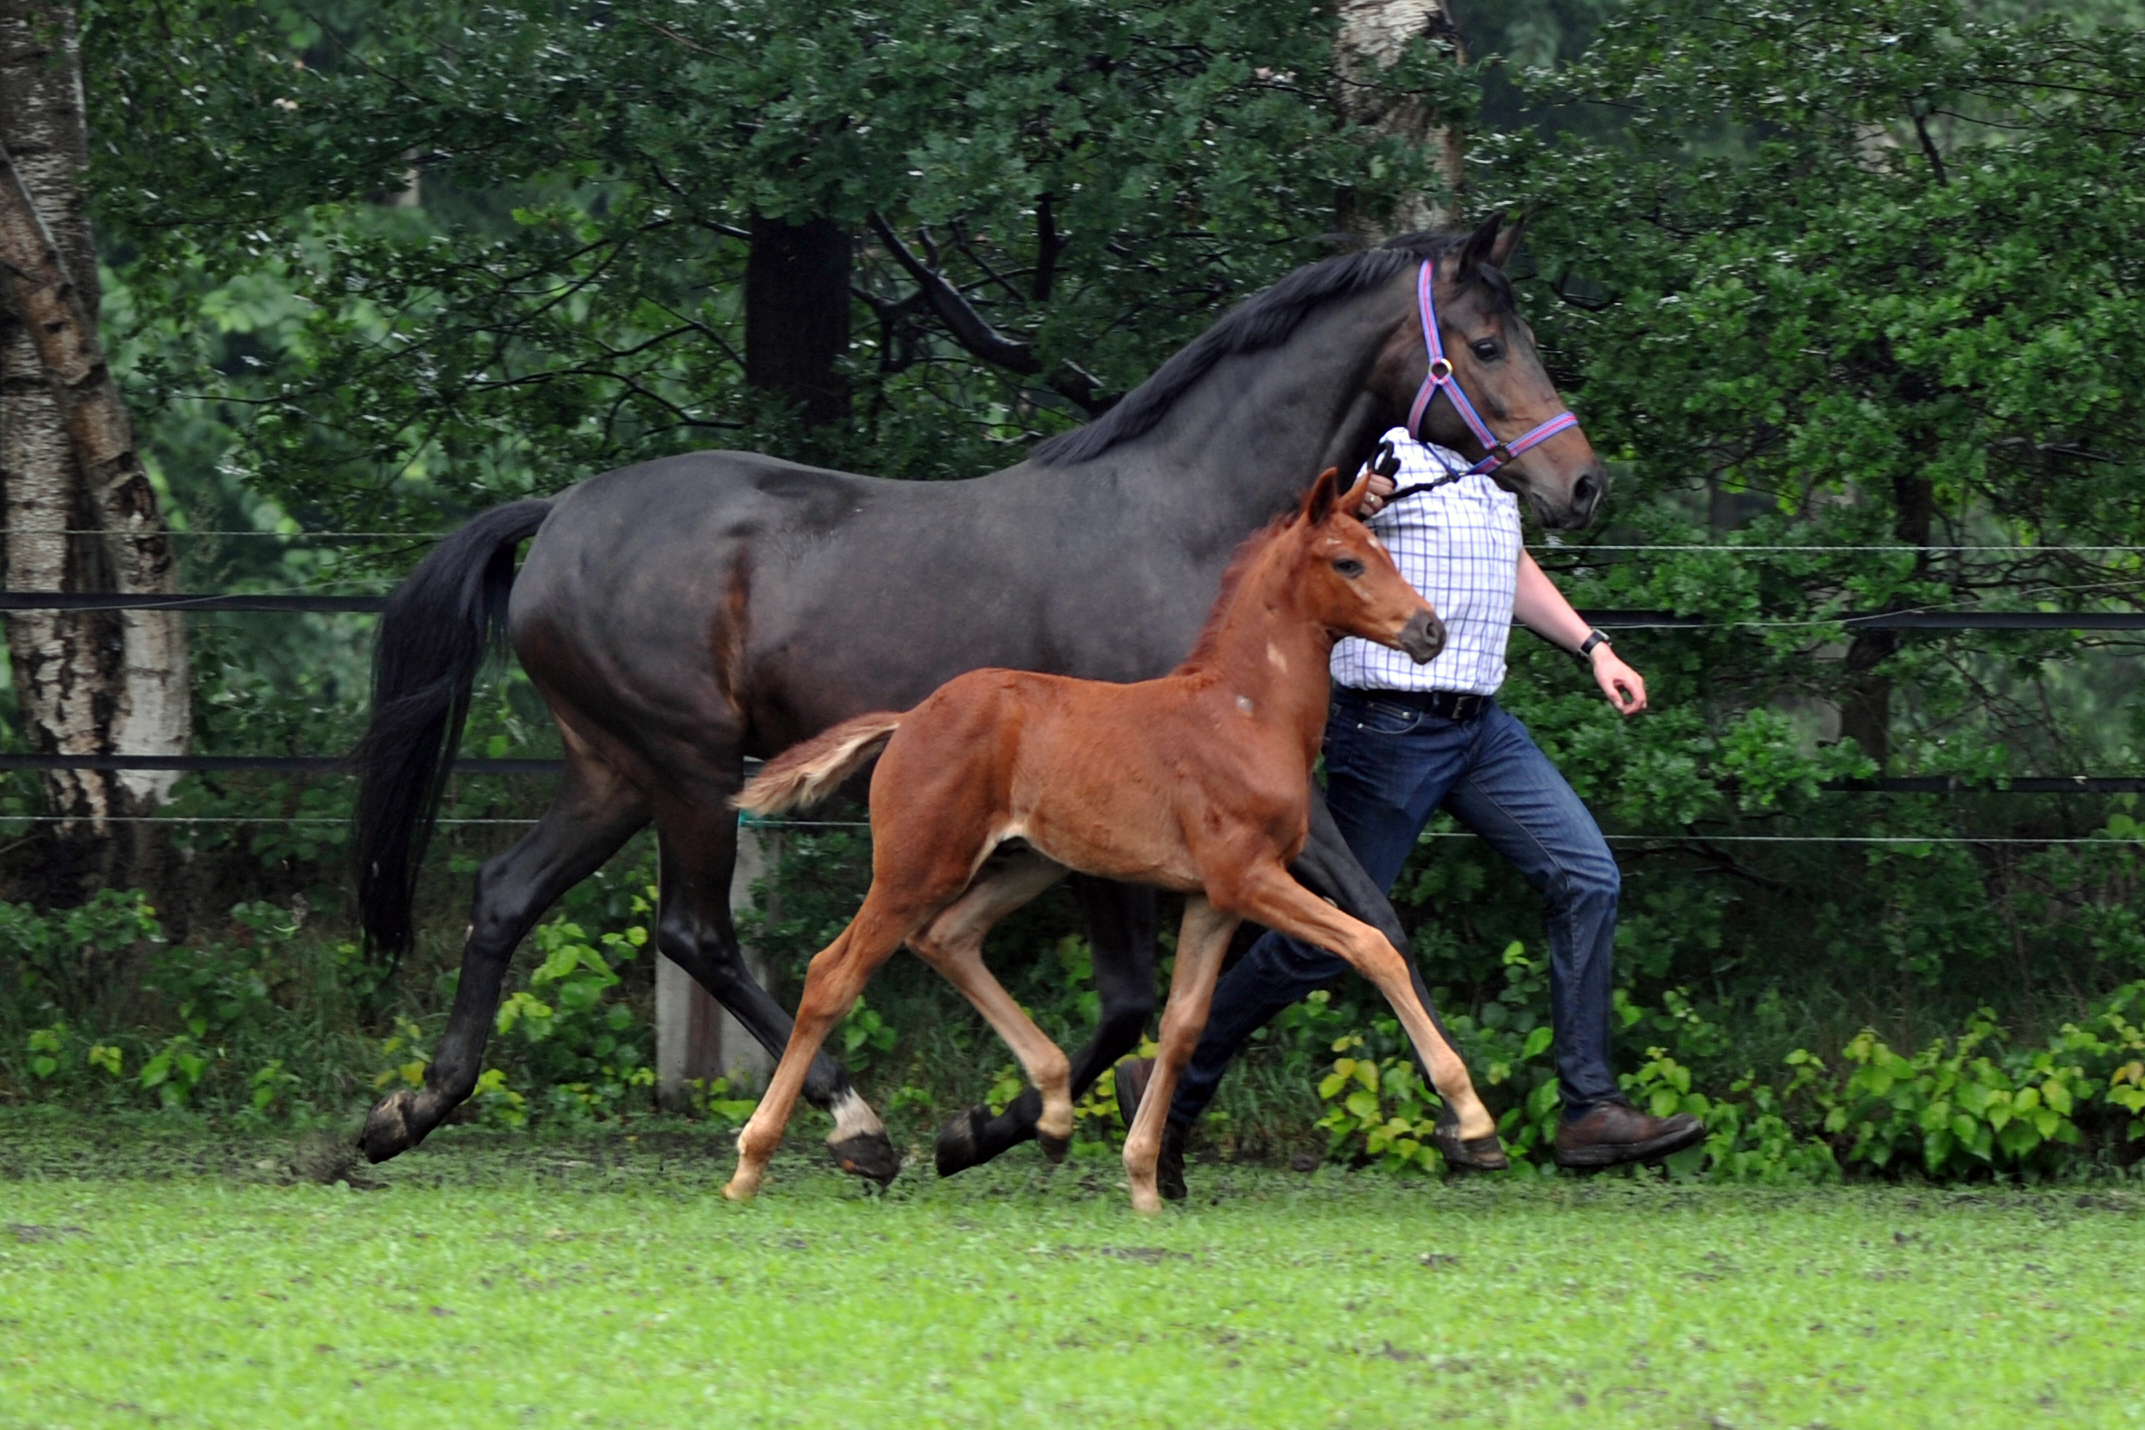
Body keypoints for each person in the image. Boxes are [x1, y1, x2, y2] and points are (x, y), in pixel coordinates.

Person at [1117, 430, 1706, 1196]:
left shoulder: (1493, 465)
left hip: (1481, 729)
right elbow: (1303, 527)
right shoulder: (1384, 449)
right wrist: (1364, 493)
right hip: (1389, 728)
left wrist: (1593, 647)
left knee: (1586, 876)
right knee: (1324, 937)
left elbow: (1512, 567)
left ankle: (1589, 1108)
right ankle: (1168, 1090)